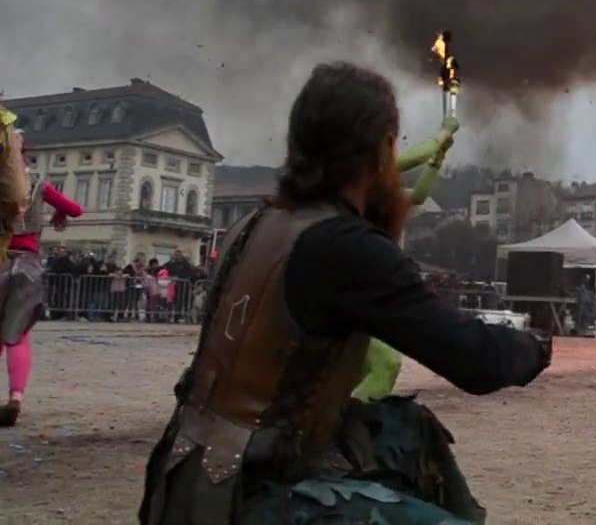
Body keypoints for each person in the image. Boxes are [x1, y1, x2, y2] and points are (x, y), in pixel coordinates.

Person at [138, 62, 552, 525]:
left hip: (185, 478)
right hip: (248, 492)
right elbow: (476, 361)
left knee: (411, 431)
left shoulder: (257, 223)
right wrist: (534, 346)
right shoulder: (343, 245)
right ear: (380, 154)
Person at [0, 136, 85, 427]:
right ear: (25, 157)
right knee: (19, 334)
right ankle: (16, 398)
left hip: (0, 258)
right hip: (28, 264)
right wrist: (58, 212)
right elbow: (76, 210)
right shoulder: (38, 186)